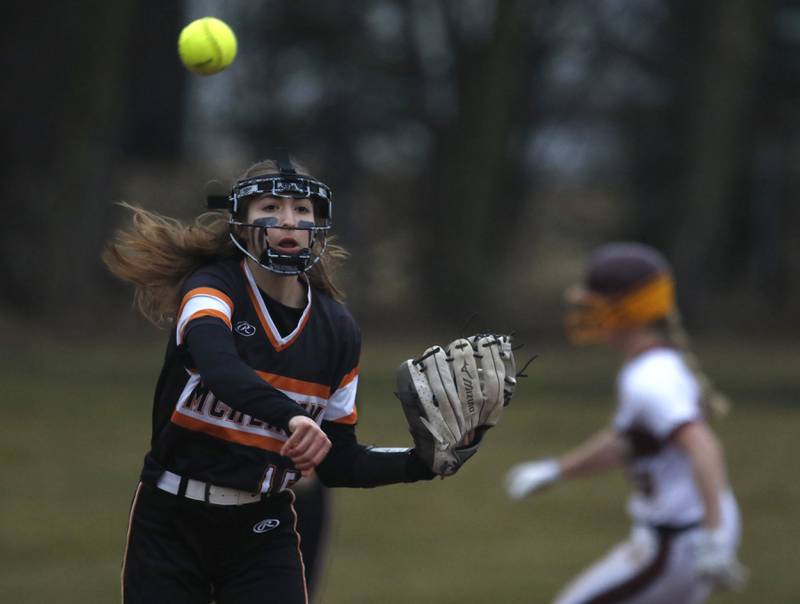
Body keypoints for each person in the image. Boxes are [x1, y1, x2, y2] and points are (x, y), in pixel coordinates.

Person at [104, 152, 441, 604]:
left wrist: (421, 462)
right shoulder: (210, 288)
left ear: (317, 227)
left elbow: (338, 461)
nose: (288, 220)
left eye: (302, 211)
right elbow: (220, 368)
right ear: (242, 225)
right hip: (170, 522)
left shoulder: (337, 330)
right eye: (270, 208)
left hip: (262, 528)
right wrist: (293, 418)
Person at [504, 242, 747, 604]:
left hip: (679, 541)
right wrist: (556, 471)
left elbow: (704, 446)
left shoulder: (649, 380)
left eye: (594, 305)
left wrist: (712, 539)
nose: (586, 313)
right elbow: (628, 442)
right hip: (687, 534)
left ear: (625, 310)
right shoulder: (654, 365)